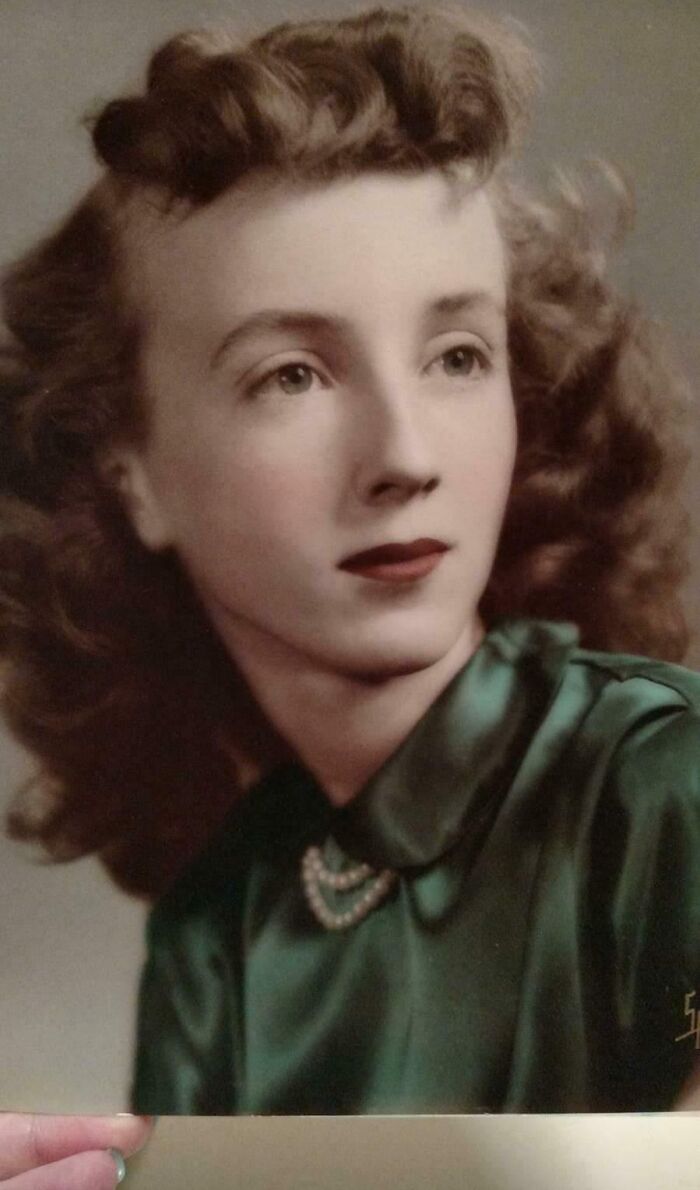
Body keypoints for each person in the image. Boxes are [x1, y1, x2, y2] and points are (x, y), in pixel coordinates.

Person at [1, 1, 699, 1167]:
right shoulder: (219, 924)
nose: (406, 456)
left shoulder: (661, 785)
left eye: (458, 354)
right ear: (133, 480)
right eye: (292, 373)